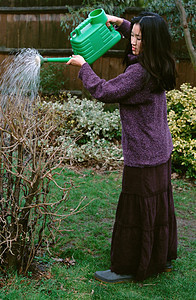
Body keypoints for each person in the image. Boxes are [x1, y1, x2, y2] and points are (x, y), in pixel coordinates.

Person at [67, 12, 177, 283]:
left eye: (139, 38)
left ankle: (128, 267)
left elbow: (105, 91)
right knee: (157, 206)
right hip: (160, 149)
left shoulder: (140, 72)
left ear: (151, 41)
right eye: (133, 35)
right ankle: (158, 258)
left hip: (143, 153)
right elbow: (143, 36)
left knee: (134, 211)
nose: (133, 42)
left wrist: (83, 67)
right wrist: (122, 23)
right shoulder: (161, 61)